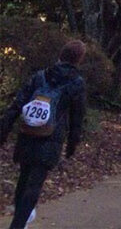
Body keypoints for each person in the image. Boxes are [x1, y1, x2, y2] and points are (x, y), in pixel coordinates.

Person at [0, 40, 87, 229]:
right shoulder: (77, 83)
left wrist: (4, 129)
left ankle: (21, 217)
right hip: (51, 137)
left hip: (28, 132)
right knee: (35, 182)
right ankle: (18, 223)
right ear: (79, 60)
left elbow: (18, 104)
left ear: (61, 55)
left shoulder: (40, 76)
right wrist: (72, 144)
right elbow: (77, 118)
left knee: (24, 176)